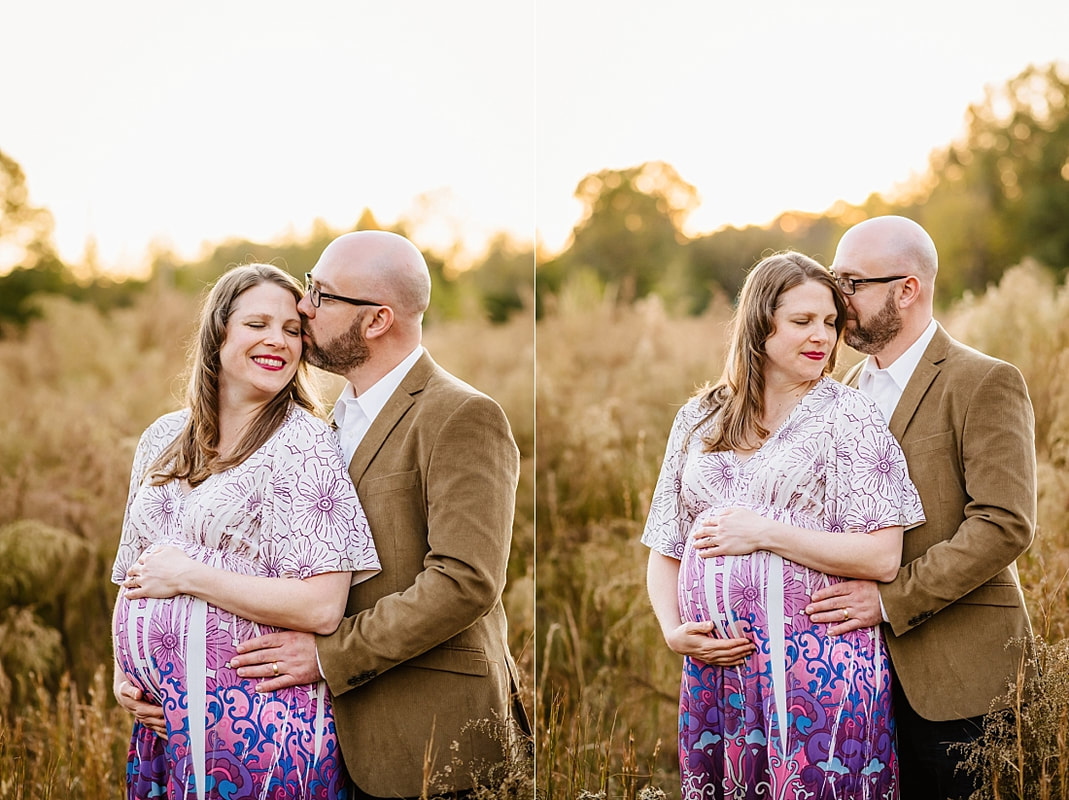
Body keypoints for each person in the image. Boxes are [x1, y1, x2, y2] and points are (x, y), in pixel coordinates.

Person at [225, 231, 526, 798]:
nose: (302, 306)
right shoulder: (326, 423)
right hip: (335, 740)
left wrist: (327, 654)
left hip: (435, 741)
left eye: (320, 293)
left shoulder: (462, 415)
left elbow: (465, 582)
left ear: (377, 320)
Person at [643, 251, 925, 799]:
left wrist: (765, 533)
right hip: (717, 676)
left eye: (828, 322)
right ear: (759, 325)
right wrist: (672, 629)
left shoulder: (850, 415)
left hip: (818, 674)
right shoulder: (698, 418)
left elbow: (882, 556)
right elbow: (666, 543)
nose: (820, 337)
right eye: (801, 322)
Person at [111, 263, 381, 800]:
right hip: (164, 725)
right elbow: (133, 577)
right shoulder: (162, 437)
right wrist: (124, 676)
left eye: (290, 329)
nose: (277, 341)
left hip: (261, 728)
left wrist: (190, 576)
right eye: (257, 324)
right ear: (219, 333)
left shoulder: (302, 444)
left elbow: (322, 607)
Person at [804, 215, 1037, 799]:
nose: (839, 299)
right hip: (856, 683)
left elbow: (1005, 524)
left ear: (907, 289)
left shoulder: (984, 381)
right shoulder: (839, 393)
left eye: (852, 283)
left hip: (963, 677)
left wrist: (888, 599)